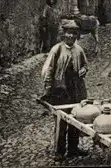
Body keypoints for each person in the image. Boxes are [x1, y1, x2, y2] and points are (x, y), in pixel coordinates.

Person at [41, 19, 89, 161]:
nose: (70, 36)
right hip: (60, 89)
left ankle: (73, 148)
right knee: (61, 120)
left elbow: (86, 65)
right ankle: (59, 151)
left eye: (73, 34)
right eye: (68, 33)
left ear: (76, 35)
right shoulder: (57, 49)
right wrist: (48, 88)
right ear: (63, 34)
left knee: (75, 118)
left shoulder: (79, 50)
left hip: (76, 89)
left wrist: (83, 70)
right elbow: (48, 69)